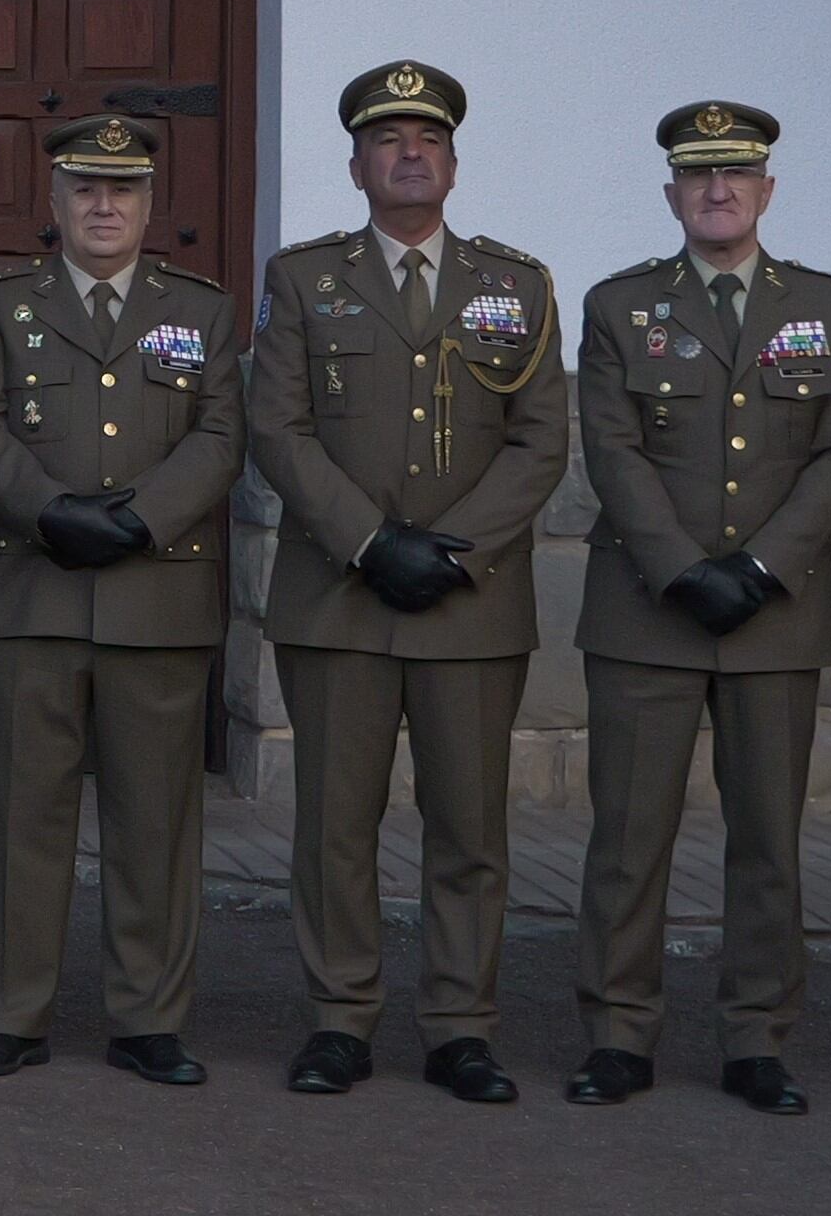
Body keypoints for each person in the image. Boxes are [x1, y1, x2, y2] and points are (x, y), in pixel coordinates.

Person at [244, 61, 568, 1104]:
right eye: (388, 139)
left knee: (469, 826)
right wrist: (370, 542)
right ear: (356, 164)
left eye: (426, 138)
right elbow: (276, 428)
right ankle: (339, 1017)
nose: (409, 153)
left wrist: (450, 548)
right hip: (340, 596)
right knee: (333, 824)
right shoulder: (302, 279)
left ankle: (460, 1025)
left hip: (468, 603)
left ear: (454, 161)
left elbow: (539, 442)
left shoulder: (514, 285)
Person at [564, 100, 831, 1115]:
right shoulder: (619, 307)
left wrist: (763, 567)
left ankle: (756, 1039)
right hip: (649, 610)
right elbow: (611, 450)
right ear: (671, 195)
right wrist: (683, 567)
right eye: (697, 176)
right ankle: (616, 1033)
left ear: (767, 190)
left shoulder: (827, 306)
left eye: (736, 174)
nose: (718, 190)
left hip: (773, 615)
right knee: (627, 836)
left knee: (767, 842)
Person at [0, 113, 242, 1087]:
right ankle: (8, 1010)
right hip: (35, 591)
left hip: (155, 596)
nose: (102, 205)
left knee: (154, 821)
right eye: (84, 187)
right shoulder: (0, 308)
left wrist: (142, 518)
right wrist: (49, 511)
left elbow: (218, 435)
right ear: (54, 199)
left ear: (150, 202)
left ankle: (148, 1017)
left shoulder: (200, 311)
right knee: (17, 818)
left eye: (122, 189)